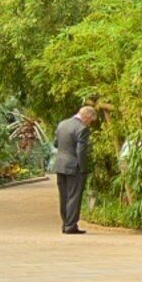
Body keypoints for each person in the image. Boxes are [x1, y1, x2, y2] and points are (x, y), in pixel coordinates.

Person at [52, 100, 99, 235]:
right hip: (74, 167)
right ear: (87, 116)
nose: (89, 124)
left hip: (60, 165)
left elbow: (56, 143)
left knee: (64, 196)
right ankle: (71, 226)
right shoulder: (82, 129)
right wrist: (83, 168)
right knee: (74, 196)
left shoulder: (62, 124)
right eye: (91, 121)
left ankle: (65, 223)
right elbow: (81, 151)